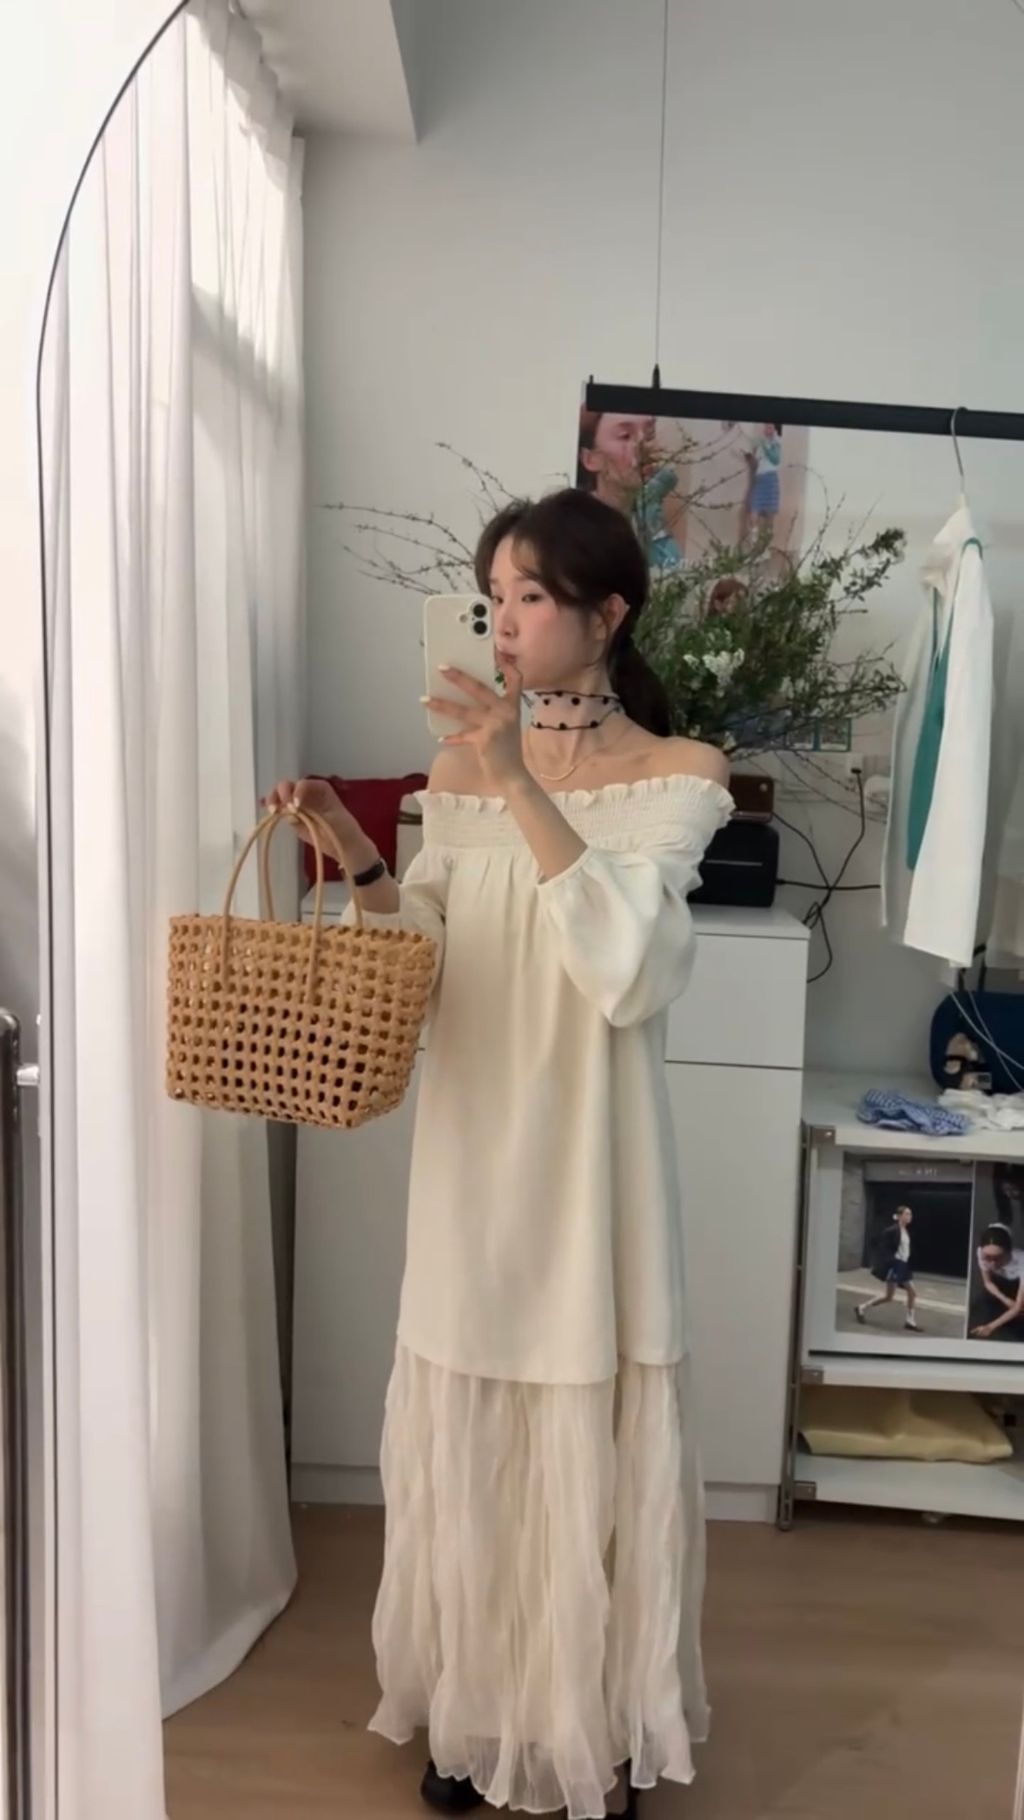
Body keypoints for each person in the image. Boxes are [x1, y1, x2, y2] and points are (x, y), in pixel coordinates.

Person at [267, 487, 732, 1820]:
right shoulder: (457, 777)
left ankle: (593, 1728)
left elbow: (628, 970)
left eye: (532, 595)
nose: (508, 623)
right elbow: (425, 966)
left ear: (608, 613)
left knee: (590, 1440)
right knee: (468, 1432)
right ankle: (476, 1712)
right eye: (494, 598)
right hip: (474, 1159)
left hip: (594, 1169)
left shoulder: (681, 773)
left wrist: (521, 775)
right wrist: (360, 855)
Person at [576, 409, 687, 571]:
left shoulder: (650, 513)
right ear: (590, 459)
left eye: (649, 435)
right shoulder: (576, 532)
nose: (645, 447)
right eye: (625, 436)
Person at [855, 1206, 921, 1332]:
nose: (910, 1216)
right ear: (900, 1216)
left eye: (910, 1214)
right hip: (895, 1265)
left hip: (903, 1265)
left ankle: (910, 1321)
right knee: (889, 1297)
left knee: (912, 1293)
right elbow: (883, 1248)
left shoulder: (905, 1231)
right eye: (907, 1214)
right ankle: (861, 1308)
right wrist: (890, 1263)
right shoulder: (892, 1230)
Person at [970, 1223, 1024, 1341]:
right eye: (987, 1257)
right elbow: (988, 1283)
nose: (992, 1264)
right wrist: (1005, 1299)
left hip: (1018, 1286)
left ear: (1009, 1252)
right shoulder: (981, 1252)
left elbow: (1018, 1307)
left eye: (998, 1258)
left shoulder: (1021, 1261)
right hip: (998, 1285)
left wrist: (990, 1327)